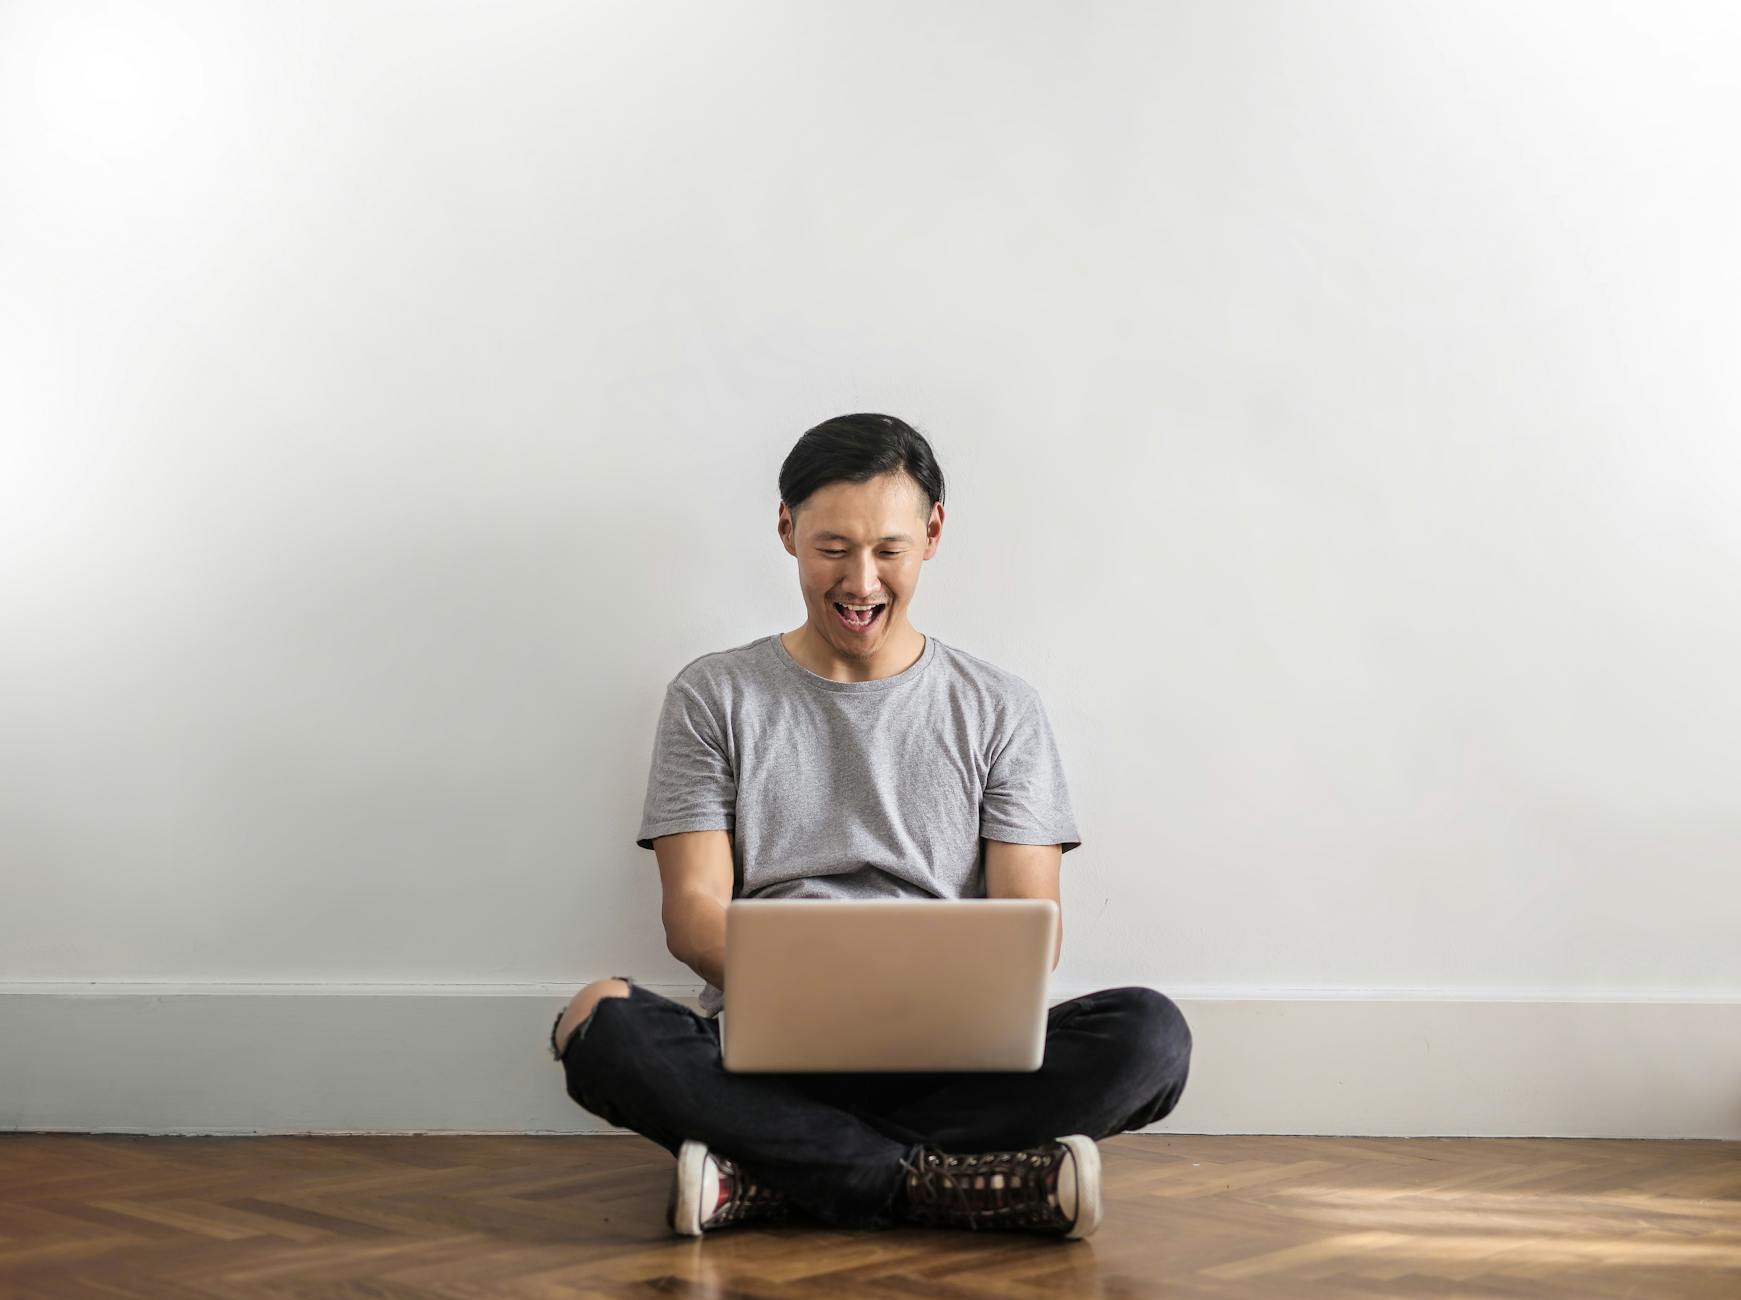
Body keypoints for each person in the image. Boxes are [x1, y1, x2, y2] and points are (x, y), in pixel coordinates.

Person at [549, 413, 1192, 1238]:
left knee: (1150, 1036)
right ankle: (951, 1182)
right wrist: (818, 990)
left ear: (931, 535)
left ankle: (777, 1175)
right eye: (832, 549)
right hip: (769, 1051)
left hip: (953, 1058)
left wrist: (918, 999)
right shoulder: (713, 696)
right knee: (597, 1021)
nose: (860, 583)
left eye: (889, 551)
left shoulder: (1000, 709)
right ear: (786, 530)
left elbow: (1032, 923)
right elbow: (693, 916)